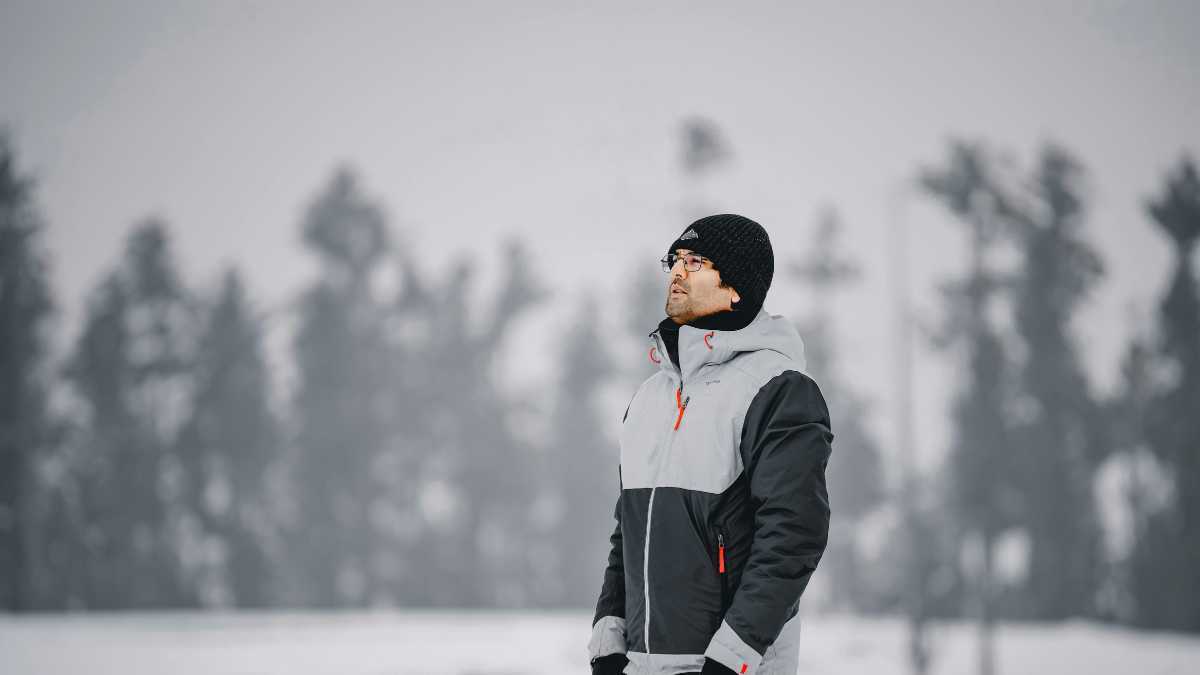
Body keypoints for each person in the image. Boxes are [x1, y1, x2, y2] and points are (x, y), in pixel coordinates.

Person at [588, 214, 833, 675]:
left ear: (736, 287)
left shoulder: (777, 389)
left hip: (731, 666)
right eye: (675, 260)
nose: (678, 272)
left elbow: (793, 536)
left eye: (695, 261)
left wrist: (732, 657)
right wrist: (608, 639)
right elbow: (629, 533)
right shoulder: (649, 397)